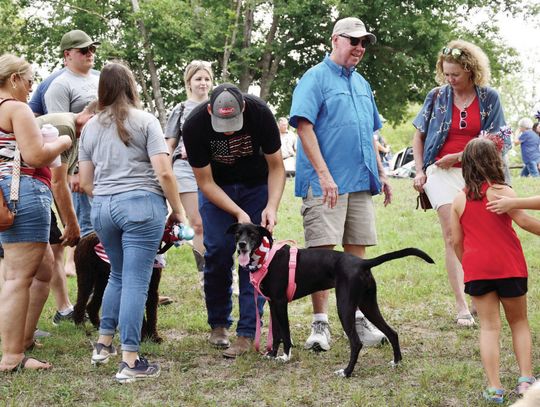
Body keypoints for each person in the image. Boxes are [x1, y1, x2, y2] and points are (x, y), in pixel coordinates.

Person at [289, 17, 391, 352]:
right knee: (321, 258)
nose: (360, 48)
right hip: (326, 185)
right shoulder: (314, 78)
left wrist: (383, 174)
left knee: (356, 257)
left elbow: (370, 134)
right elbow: (303, 127)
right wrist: (323, 174)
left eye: (364, 43)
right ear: (335, 40)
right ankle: (320, 326)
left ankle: (359, 322)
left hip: (360, 183)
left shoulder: (362, 84)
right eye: (353, 41)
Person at [78, 61, 184, 382]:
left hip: (103, 208)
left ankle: (103, 344)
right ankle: (130, 360)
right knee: (137, 280)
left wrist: (110, 196)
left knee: (118, 276)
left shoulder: (91, 127)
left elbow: (84, 182)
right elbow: (164, 171)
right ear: (131, 87)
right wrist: (177, 210)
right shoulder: (146, 121)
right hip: (142, 206)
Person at [182, 83, 285, 358]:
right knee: (215, 250)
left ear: (243, 108)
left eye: (234, 122)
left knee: (254, 257)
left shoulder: (261, 113)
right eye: (222, 123)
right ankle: (218, 323)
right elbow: (204, 182)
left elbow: (276, 166)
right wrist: (238, 213)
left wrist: (271, 207)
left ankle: (247, 332)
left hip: (255, 187)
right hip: (217, 189)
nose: (228, 130)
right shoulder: (194, 126)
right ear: (208, 110)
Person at [412, 39, 508, 327]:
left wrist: (461, 154)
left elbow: (498, 140)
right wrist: (420, 171)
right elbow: (419, 134)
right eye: (446, 73)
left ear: (470, 71)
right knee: (452, 236)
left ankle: (481, 290)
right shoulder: (437, 96)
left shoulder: (489, 97)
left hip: (477, 172)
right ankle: (462, 303)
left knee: (480, 233)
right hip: (440, 172)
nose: (450, 79)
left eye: (455, 74)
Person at [450, 138, 540, 403]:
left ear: (466, 165)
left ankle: (494, 388)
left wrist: (468, 264)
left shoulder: (458, 199)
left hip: (477, 269)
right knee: (519, 323)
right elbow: (524, 222)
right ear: (495, 161)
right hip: (509, 266)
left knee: (489, 328)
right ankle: (525, 380)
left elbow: (456, 241)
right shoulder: (503, 191)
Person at [0, 53, 71, 371]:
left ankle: (24, 339)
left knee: (43, 271)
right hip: (23, 194)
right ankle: (12, 356)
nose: (31, 89)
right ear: (13, 79)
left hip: (7, 195)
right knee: (17, 277)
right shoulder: (16, 109)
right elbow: (36, 155)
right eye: (29, 81)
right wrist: (64, 140)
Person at [41, 29, 100, 323]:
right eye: (83, 50)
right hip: (59, 173)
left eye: (92, 49)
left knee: (91, 233)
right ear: (67, 54)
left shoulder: (100, 79)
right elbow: (58, 159)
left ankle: (97, 293)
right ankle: (73, 303)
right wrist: (76, 172)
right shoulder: (58, 87)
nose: (90, 53)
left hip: (94, 167)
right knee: (73, 238)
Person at [35, 102, 97, 325]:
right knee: (32, 264)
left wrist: (68, 225)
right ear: (88, 115)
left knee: (55, 246)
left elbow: (64, 184)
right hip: (21, 189)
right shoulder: (64, 128)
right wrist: (72, 224)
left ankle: (63, 309)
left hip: (36, 188)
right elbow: (58, 182)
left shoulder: (78, 137)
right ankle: (22, 329)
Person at [165, 60, 213, 288]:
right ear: (189, 82)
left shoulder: (218, 105)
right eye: (198, 78)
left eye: (206, 78)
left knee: (217, 222)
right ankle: (205, 275)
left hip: (213, 171)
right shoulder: (181, 109)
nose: (203, 83)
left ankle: (225, 271)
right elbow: (169, 144)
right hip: (185, 170)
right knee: (198, 224)